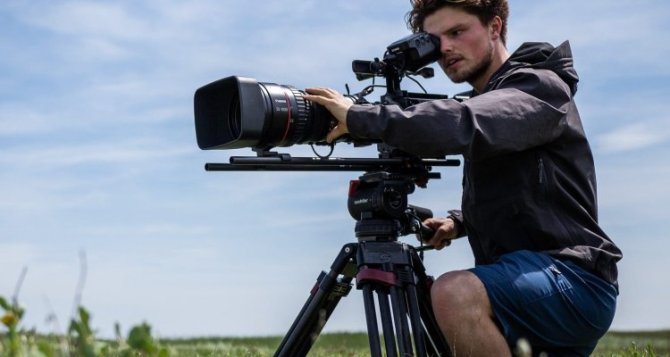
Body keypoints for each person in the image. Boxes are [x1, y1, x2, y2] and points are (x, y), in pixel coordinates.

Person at [304, 0, 622, 355]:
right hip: (526, 277)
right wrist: (458, 223)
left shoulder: (538, 87)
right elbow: (527, 194)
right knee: (443, 295)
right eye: (437, 41)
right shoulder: (485, 101)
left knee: (453, 293)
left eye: (457, 32)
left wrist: (364, 117)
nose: (447, 48)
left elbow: (465, 123)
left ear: (494, 27)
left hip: (574, 278)